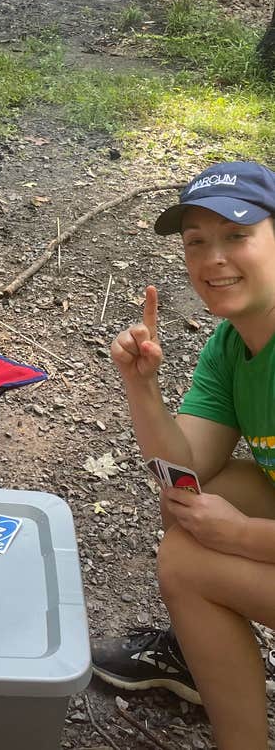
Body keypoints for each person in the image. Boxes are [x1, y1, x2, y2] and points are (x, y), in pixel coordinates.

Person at [91, 161, 275, 750]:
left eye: (237, 236)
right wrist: (140, 384)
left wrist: (243, 536)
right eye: (197, 242)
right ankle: (206, 655)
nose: (213, 258)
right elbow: (185, 473)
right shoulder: (233, 343)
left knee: (187, 564)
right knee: (194, 505)